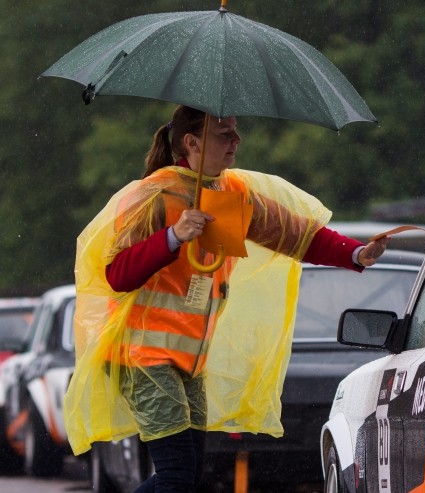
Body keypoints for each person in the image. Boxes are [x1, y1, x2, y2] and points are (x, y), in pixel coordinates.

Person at [64, 105, 388, 492]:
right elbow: (118, 275)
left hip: (189, 361)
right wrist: (173, 236)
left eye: (235, 131)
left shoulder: (232, 192)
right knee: (176, 476)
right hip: (144, 355)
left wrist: (354, 254)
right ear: (192, 142)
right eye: (224, 133)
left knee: (187, 475)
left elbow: (293, 233)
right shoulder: (153, 194)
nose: (237, 140)